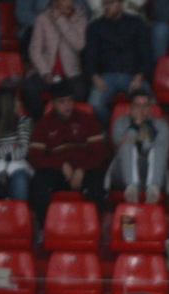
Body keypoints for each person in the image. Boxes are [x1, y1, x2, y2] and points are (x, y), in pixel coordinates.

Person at [28, 82, 109, 225]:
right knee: (39, 182)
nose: (67, 105)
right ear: (53, 103)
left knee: (97, 181)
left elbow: (100, 153)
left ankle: (93, 226)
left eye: (70, 100)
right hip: (57, 172)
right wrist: (60, 166)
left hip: (84, 171)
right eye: (62, 102)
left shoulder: (87, 120)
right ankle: (45, 228)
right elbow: (35, 157)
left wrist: (82, 169)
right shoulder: (43, 124)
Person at [85, 0, 155, 113]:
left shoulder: (137, 23)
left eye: (111, 2)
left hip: (132, 76)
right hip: (106, 77)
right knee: (94, 104)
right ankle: (108, 130)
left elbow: (146, 53)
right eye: (104, 2)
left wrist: (140, 76)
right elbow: (90, 55)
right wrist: (94, 76)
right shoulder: (95, 26)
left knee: (151, 105)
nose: (106, 6)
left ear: (122, 4)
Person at [108, 89, 169, 203]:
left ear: (150, 108)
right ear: (131, 108)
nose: (141, 110)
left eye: (145, 106)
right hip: (122, 173)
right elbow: (118, 146)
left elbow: (162, 150)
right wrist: (135, 127)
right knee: (127, 145)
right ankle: (131, 190)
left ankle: (153, 191)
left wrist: (138, 142)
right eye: (137, 106)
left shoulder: (161, 125)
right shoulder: (120, 123)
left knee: (158, 147)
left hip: (153, 171)